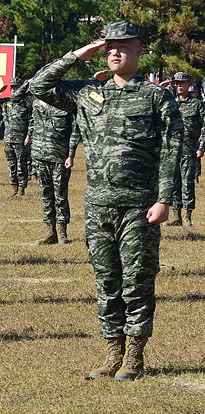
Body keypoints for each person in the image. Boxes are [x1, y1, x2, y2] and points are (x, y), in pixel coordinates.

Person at [29, 21, 182, 381]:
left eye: (123, 46)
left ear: (140, 51)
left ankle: (134, 357)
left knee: (138, 280)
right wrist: (82, 52)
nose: (114, 51)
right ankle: (112, 353)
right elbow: (39, 86)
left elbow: (174, 149)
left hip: (139, 206)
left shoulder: (157, 96)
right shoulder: (89, 93)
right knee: (106, 280)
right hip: (98, 206)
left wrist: (164, 199)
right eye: (109, 46)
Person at [27, 90, 81, 244]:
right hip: (40, 155)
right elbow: (33, 123)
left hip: (60, 157)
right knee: (46, 194)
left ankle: (63, 232)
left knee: (60, 194)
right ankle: (50, 232)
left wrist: (71, 155)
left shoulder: (67, 104)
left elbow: (75, 132)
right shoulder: (37, 102)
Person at [167, 72, 204, 226]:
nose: (179, 86)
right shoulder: (171, 104)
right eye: (176, 83)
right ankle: (176, 216)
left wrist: (201, 148)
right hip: (173, 151)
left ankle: (188, 216)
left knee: (187, 183)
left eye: (182, 83)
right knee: (174, 183)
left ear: (189, 84)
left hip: (190, 151)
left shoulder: (197, 104)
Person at [0, 78, 34, 196]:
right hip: (8, 139)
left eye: (16, 87)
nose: (14, 89)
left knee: (21, 164)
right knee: (11, 165)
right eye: (13, 87)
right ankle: (13, 187)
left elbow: (31, 120)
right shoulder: (6, 102)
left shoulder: (26, 103)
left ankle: (22, 189)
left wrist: (29, 136)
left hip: (21, 139)